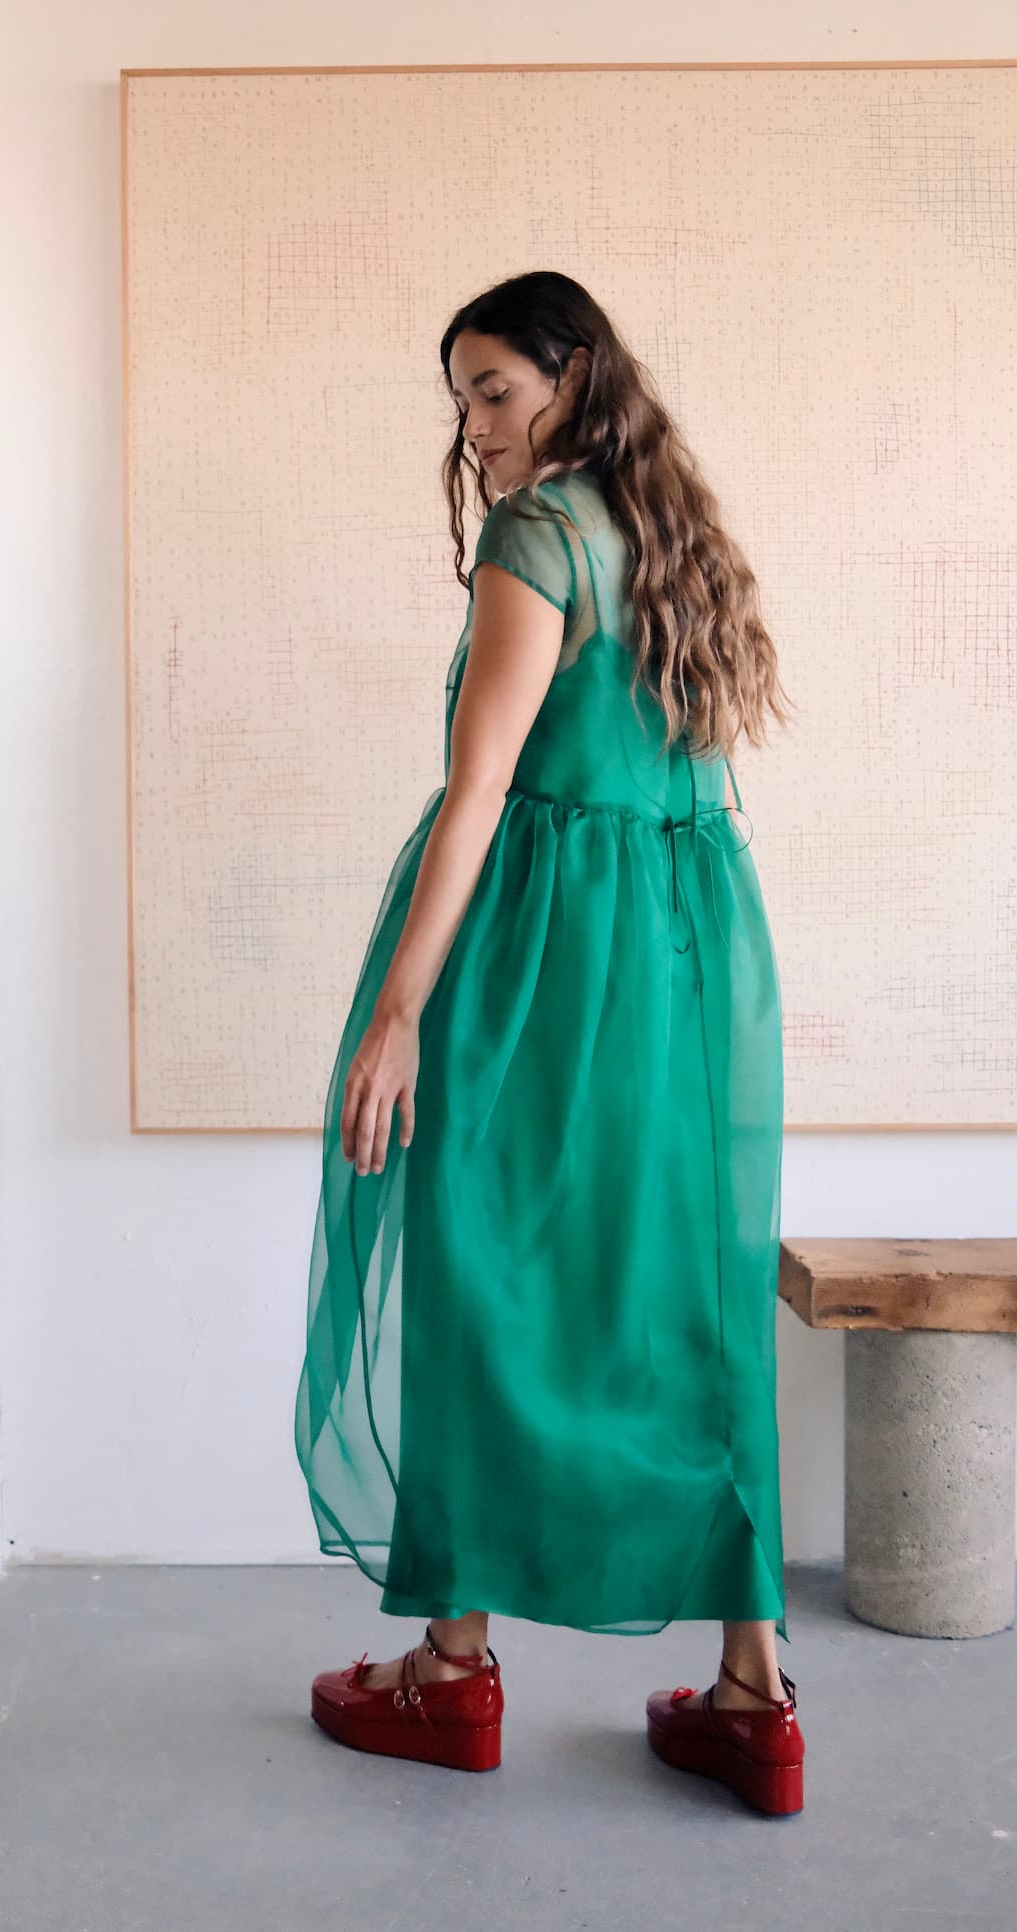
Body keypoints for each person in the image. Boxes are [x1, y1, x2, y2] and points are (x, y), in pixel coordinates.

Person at [293, 270, 805, 1815]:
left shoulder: (538, 537)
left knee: (476, 1261)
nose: (476, 425)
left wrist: (398, 1015)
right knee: (692, 1282)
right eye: (461, 396)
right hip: (692, 953)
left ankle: (452, 1672)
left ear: (576, 377)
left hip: (543, 955)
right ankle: (754, 1693)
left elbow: (483, 790)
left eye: (497, 388)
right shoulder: (674, 534)